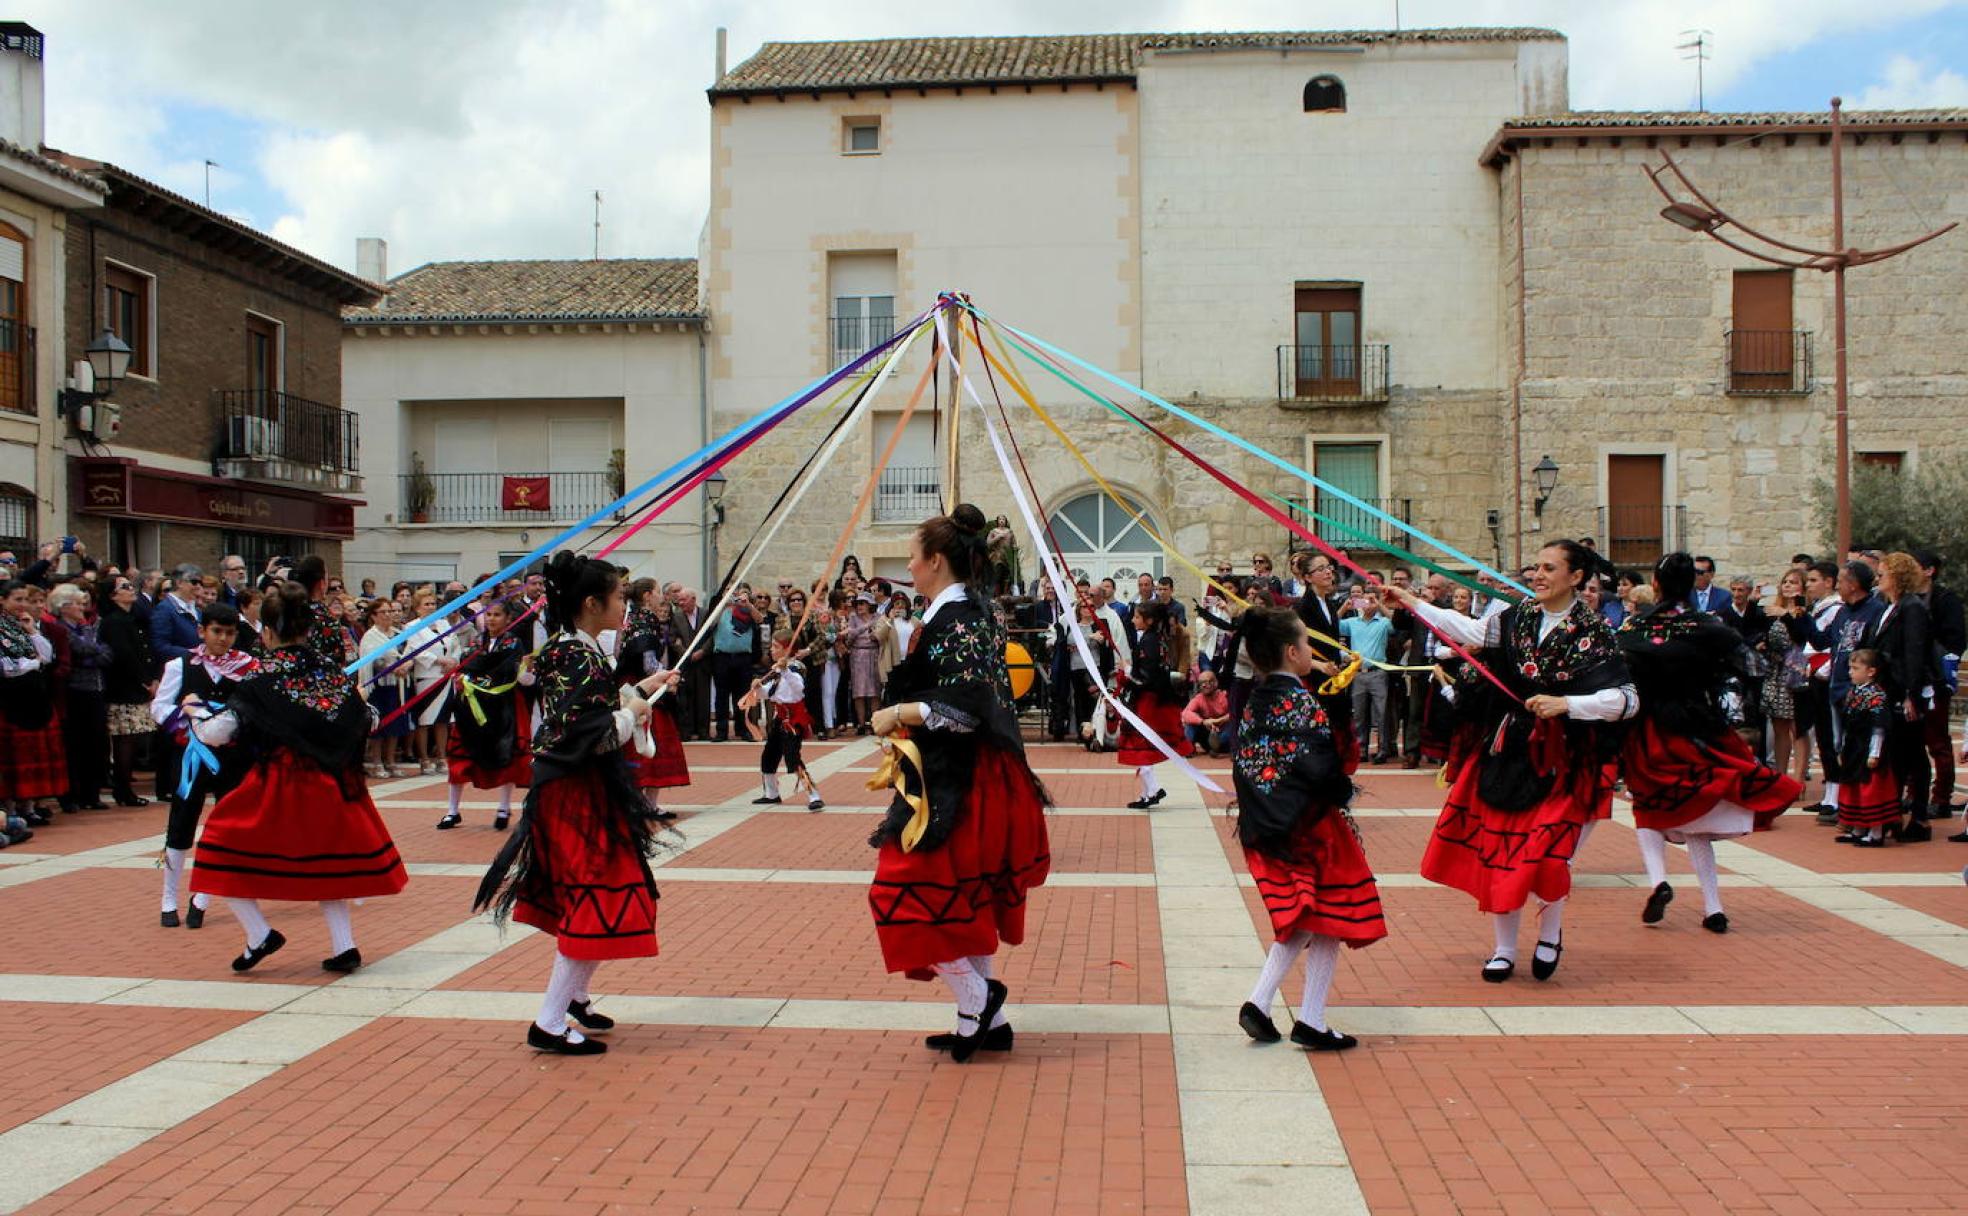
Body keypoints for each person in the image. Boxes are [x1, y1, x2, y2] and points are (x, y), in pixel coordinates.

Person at [1384, 540, 1636, 983]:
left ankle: (1551, 933)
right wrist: (1409, 600)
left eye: (1548, 568)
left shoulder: (1594, 632)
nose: (1537, 575)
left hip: (1563, 758)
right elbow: (1468, 631)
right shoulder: (1516, 617)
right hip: (1509, 749)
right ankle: (1503, 948)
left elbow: (1625, 700)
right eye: (1535, 567)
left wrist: (1567, 704)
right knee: (1501, 851)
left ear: (1576, 577)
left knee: (1550, 855)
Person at [868, 504, 1051, 1062]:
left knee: (903, 891)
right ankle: (978, 1020)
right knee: (962, 900)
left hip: (963, 781)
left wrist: (897, 711)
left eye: (914, 556)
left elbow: (965, 707)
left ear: (937, 560)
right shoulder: (964, 611)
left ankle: (980, 995)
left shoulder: (962, 616)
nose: (910, 565)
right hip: (960, 775)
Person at [475, 552, 672, 1056]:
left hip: (578, 788)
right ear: (591, 602)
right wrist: (631, 712)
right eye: (618, 597)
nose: (624, 605)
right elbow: (592, 733)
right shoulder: (576, 654)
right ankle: (548, 1020)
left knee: (600, 891)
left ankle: (576, 999)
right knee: (598, 893)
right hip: (574, 792)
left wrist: (640, 692)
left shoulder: (573, 648)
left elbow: (584, 711)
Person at [187, 582, 409, 973]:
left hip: (281, 783)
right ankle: (344, 946)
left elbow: (220, 732)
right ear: (307, 629)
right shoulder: (332, 673)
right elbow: (367, 720)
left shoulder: (261, 679)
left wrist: (193, 716)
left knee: (217, 847)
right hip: (333, 784)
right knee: (331, 863)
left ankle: (259, 934)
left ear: (267, 632)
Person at [1617, 554, 1801, 933]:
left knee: (1648, 807)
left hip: (1648, 726)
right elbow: (1754, 667)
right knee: (1698, 817)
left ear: (1656, 584)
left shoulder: (1634, 627)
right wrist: (1713, 671)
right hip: (1698, 724)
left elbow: (1615, 673)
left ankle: (1658, 881)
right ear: (1693, 585)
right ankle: (1713, 907)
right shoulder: (1708, 626)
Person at [1231, 604, 1385, 1051]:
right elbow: (1331, 768)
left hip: (1269, 823)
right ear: (1293, 652)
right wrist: (1337, 713)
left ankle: (1261, 1002)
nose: (1311, 650)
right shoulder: (1303, 702)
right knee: (1329, 916)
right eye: (1306, 643)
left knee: (1306, 916)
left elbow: (1252, 765)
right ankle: (1311, 1018)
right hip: (1313, 829)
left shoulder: (1255, 700)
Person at [150, 603, 259, 928]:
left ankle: (204, 894)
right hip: (191, 756)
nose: (222, 639)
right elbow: (159, 706)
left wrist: (236, 722)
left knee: (227, 824)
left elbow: (256, 708)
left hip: (233, 756)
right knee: (181, 821)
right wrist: (187, 718)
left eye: (229, 633)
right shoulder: (180, 665)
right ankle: (169, 897)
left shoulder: (247, 667)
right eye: (216, 631)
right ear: (201, 631)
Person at [440, 597, 534, 831]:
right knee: (459, 754)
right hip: (472, 707)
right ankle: (453, 810)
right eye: (489, 615)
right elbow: (468, 666)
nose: (492, 619)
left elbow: (516, 675)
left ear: (509, 618)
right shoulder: (475, 643)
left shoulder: (515, 644)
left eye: (497, 615)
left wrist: (524, 668)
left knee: (507, 754)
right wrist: (461, 677)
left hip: (503, 707)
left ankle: (503, 808)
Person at [1873, 552, 1940, 841]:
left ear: (1897, 577)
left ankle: (1919, 817)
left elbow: (1914, 652)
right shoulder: (1892, 607)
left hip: (1906, 690)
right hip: (1893, 688)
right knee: (1899, 753)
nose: (1878, 579)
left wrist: (1911, 694)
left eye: (1883, 574)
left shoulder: (1911, 608)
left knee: (1912, 753)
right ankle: (1895, 814)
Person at [616, 580, 687, 818]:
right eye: (657, 592)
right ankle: (646, 804)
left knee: (639, 741)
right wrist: (666, 679)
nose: (661, 596)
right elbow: (648, 663)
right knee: (649, 739)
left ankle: (642, 802)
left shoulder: (631, 619)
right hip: (644, 689)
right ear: (647, 596)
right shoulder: (644, 621)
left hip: (630, 685)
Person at [0, 580, 64, 841]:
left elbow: (47, 657)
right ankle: (11, 809)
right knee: (12, 759)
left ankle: (28, 807)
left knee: (32, 756)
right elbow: (7, 667)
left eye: (25, 599)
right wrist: (31, 664)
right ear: (2, 601)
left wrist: (32, 633)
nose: (23, 605)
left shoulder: (22, 626)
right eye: (17, 599)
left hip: (33, 698)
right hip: (8, 699)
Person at [1115, 599, 1192, 809]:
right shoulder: (1154, 639)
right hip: (1152, 698)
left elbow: (1147, 676)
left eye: (1137, 617)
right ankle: (1149, 791)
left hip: (1149, 701)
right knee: (1142, 743)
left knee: (1140, 742)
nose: (1133, 620)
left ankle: (1152, 790)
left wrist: (1127, 674)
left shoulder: (1149, 641)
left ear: (1148, 620)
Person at [51, 583, 111, 812]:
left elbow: (105, 654)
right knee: (75, 744)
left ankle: (91, 794)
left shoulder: (88, 627)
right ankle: (72, 794)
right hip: (74, 691)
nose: (81, 607)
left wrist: (91, 653)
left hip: (95, 689)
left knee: (95, 742)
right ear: (64, 607)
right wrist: (91, 653)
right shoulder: (61, 629)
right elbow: (81, 650)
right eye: (77, 603)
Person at [750, 629, 825, 810]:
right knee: (769, 756)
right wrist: (757, 688)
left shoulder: (796, 667)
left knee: (793, 758)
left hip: (793, 721)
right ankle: (771, 793)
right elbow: (768, 693)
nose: (771, 650)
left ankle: (814, 795)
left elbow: (798, 690)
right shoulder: (776, 670)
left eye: (775, 647)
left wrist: (785, 671)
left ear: (786, 649)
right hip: (779, 719)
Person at [97, 576, 154, 807]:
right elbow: (124, 655)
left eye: (131, 586)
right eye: (125, 587)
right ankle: (122, 789)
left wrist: (153, 678)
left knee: (132, 736)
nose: (131, 590)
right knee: (124, 739)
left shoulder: (133, 619)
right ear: (113, 595)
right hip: (123, 688)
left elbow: (143, 651)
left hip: (139, 686)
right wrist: (145, 680)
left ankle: (124, 788)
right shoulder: (113, 622)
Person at [1916, 551, 1964, 821]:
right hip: (1914, 677)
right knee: (1912, 742)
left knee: (1937, 741)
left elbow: (1956, 641)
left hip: (1935, 679)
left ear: (1929, 570)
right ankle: (1915, 794)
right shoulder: (1907, 599)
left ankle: (1942, 797)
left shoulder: (1945, 600)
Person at [1836, 649, 1899, 847]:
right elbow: (1846, 722)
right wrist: (1842, 748)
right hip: (1853, 747)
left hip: (1867, 748)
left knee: (1870, 789)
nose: (1850, 673)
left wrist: (1875, 753)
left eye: (1855, 668)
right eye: (1850, 668)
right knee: (1853, 787)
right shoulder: (1854, 692)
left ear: (1871, 671)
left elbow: (1879, 728)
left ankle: (1876, 831)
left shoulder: (1877, 696)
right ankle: (1858, 827)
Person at [1761, 569, 1813, 787]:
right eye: (1785, 582)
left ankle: (1799, 779)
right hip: (1775, 673)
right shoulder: (1772, 611)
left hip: (1796, 675)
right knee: (1779, 726)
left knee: (1797, 727)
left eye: (1793, 582)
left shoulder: (1803, 613)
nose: (1788, 586)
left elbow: (1803, 637)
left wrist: (1785, 615)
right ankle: (1781, 778)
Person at [1338, 583, 1395, 764]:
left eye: (1371, 601)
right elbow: (1331, 625)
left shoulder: (1383, 623)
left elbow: (1396, 622)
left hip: (1378, 673)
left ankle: (1383, 749)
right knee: (1359, 714)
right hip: (1358, 673)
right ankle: (1361, 748)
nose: (1367, 604)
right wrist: (1344, 608)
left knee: (1381, 713)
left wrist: (1380, 605)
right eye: (1365, 600)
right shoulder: (1352, 623)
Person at [357, 599, 413, 780]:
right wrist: (391, 668)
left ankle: (390, 761)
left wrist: (406, 665)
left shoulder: (398, 634)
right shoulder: (370, 636)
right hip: (377, 686)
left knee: (395, 724)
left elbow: (408, 653)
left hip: (397, 685)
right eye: (383, 612)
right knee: (378, 725)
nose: (388, 615)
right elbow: (373, 660)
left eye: (390, 611)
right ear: (373, 616)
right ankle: (376, 762)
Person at [843, 593, 889, 734]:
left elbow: (882, 635)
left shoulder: (878, 617)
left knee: (874, 690)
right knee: (859, 691)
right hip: (857, 655)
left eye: (863, 603)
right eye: (858, 604)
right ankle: (861, 724)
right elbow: (850, 637)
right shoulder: (853, 618)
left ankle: (875, 723)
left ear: (870, 604)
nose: (860, 606)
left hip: (874, 655)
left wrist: (872, 635)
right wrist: (865, 628)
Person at [149, 564, 203, 665]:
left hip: (197, 668)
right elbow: (160, 645)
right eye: (194, 582)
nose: (198, 586)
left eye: (200, 583)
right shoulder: (164, 609)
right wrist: (193, 654)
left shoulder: (197, 610)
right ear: (179, 583)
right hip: (178, 669)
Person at [1180, 669, 1232, 756]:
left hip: (1224, 736)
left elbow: (1237, 713)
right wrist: (1203, 722)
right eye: (1201, 683)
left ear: (1215, 683)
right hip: (1207, 736)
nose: (1203, 685)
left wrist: (1220, 720)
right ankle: (1188, 749)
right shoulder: (1198, 698)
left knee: (1234, 724)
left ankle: (1219, 749)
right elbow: (1185, 713)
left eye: (1207, 682)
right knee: (1190, 724)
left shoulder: (1225, 696)